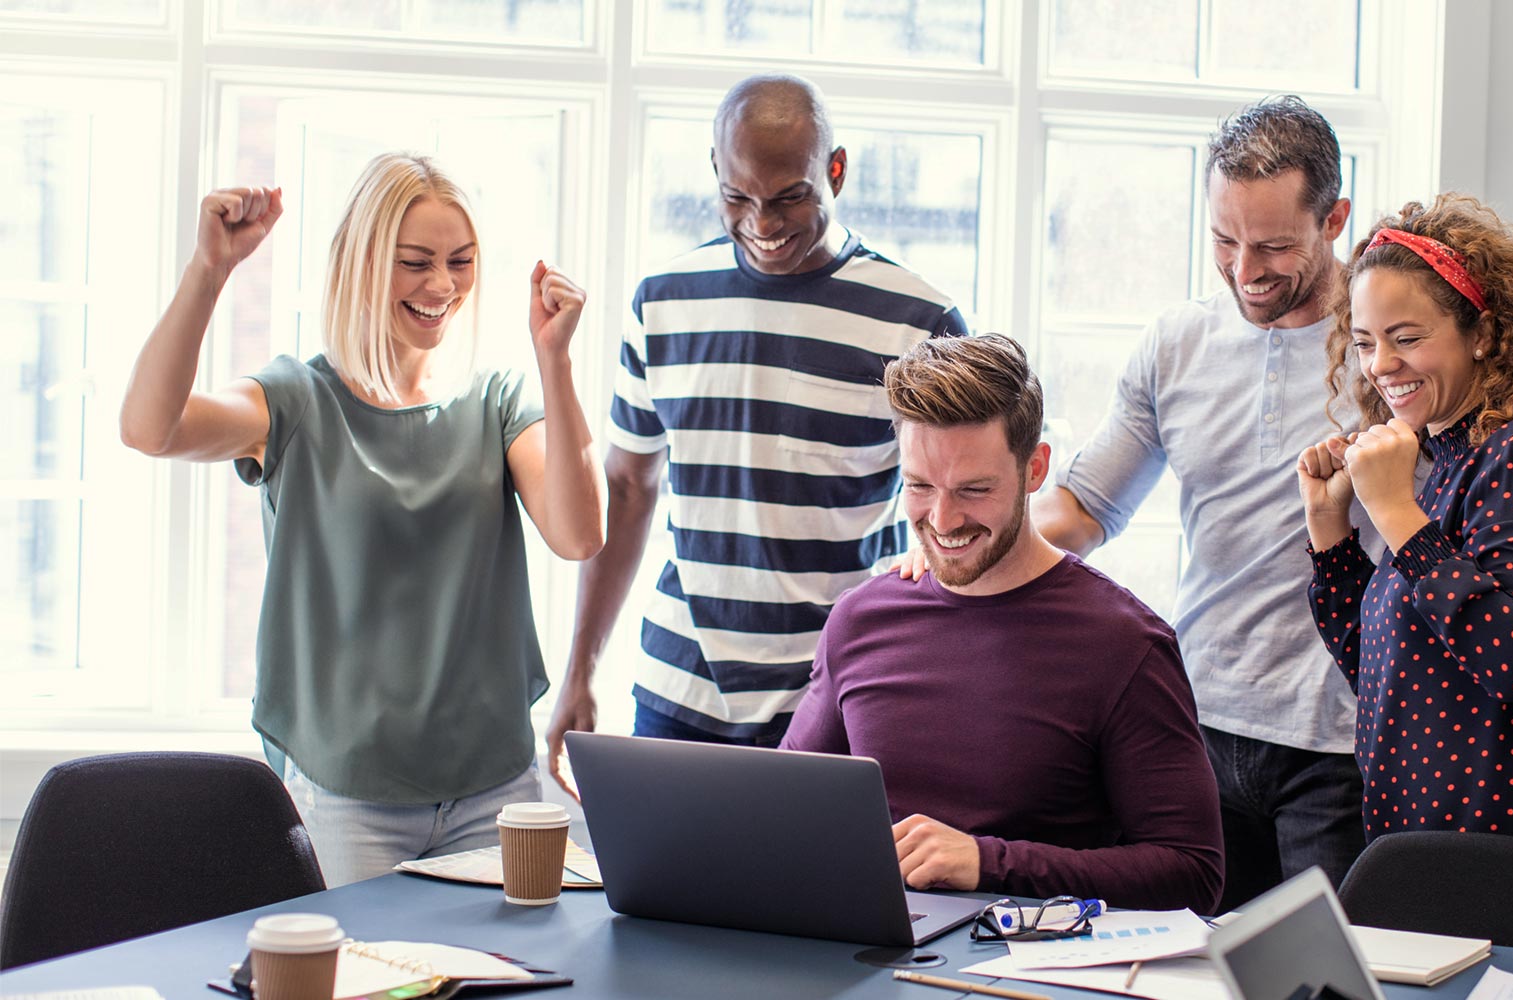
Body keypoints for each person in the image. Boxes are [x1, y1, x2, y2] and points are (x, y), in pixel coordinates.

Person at [1025, 97, 1513, 911]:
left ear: (1332, 217)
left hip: (1390, 772)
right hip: (1243, 732)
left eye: (1271, 245)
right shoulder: (1391, 421)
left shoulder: (1468, 404)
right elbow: (1086, 510)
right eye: (1224, 243)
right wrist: (1331, 531)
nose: (1244, 270)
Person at [120, 153, 604, 886]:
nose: (442, 286)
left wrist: (555, 362)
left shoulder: (498, 401)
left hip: (496, 788)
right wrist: (209, 271)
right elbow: (151, 429)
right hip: (350, 804)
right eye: (416, 262)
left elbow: (578, 534)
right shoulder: (296, 401)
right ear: (363, 263)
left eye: (460, 262)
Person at [543, 73, 967, 787]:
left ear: (835, 171)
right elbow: (626, 489)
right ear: (715, 172)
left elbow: (956, 503)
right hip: (680, 695)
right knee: (664, 900)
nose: (763, 224)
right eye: (738, 198)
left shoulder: (919, 320)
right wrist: (580, 669)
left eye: (788, 198)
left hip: (844, 694)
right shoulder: (663, 302)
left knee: (825, 901)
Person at [782, 333, 1224, 913]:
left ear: (1034, 468)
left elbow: (1192, 873)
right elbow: (786, 808)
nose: (942, 520)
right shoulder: (861, 619)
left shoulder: (1124, 643)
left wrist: (989, 863)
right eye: (919, 486)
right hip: (873, 951)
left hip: (1035, 969)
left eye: (974, 490)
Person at [1297, 194, 1513, 919]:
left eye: (1406, 337)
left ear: (1480, 333)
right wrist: (1332, 537)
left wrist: (1394, 513)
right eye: (1362, 342)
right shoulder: (1444, 466)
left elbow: (1508, 658)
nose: (1381, 366)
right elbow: (1383, 669)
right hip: (1421, 841)